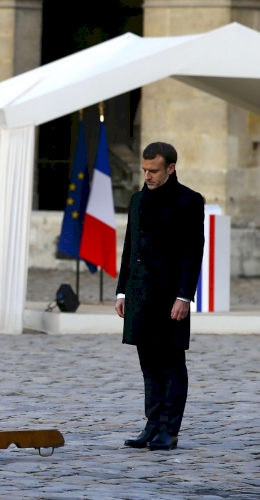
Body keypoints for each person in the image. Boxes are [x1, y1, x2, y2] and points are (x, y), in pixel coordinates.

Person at [117, 142, 204, 451]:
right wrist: (122, 289)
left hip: (170, 297)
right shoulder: (137, 199)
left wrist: (184, 297)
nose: (148, 175)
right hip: (140, 293)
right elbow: (130, 246)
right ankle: (152, 425)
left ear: (171, 168)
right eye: (144, 170)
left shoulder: (189, 201)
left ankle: (170, 429)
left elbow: (193, 254)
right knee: (149, 364)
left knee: (171, 364)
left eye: (153, 170)